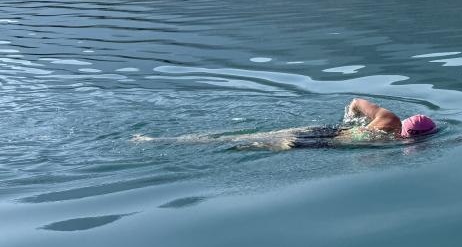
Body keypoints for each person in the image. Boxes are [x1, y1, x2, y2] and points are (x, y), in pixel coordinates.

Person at [132, 97, 438, 150]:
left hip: (321, 132)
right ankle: (158, 142)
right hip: (319, 143)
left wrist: (350, 119)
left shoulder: (386, 120)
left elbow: (356, 101)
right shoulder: (392, 135)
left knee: (233, 137)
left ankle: (159, 140)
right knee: (244, 144)